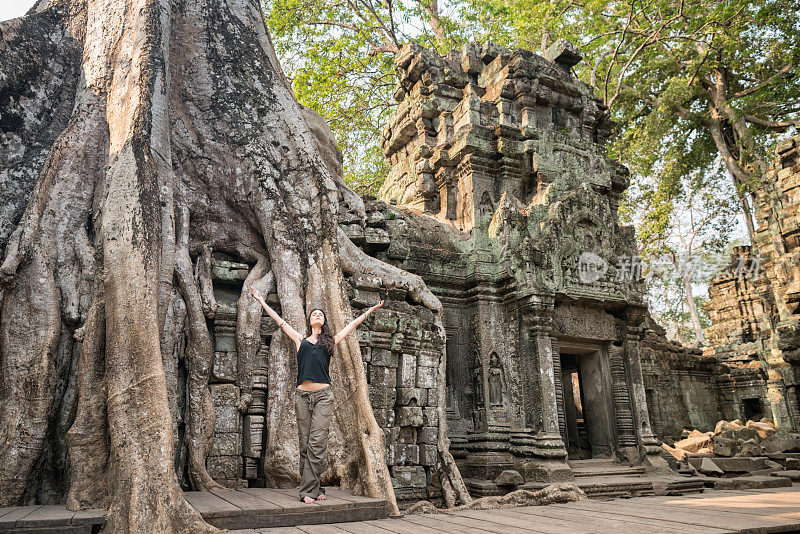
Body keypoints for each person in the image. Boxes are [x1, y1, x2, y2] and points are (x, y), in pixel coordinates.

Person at [250, 287, 384, 503]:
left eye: (320, 314)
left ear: (324, 321)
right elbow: (279, 321)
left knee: (317, 443)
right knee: (305, 445)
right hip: (301, 396)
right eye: (314, 314)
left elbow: (352, 325)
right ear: (309, 320)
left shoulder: (330, 341)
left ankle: (306, 492)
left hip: (323, 396)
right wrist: (260, 301)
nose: (317, 315)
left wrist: (370, 311)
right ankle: (317, 486)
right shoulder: (299, 340)